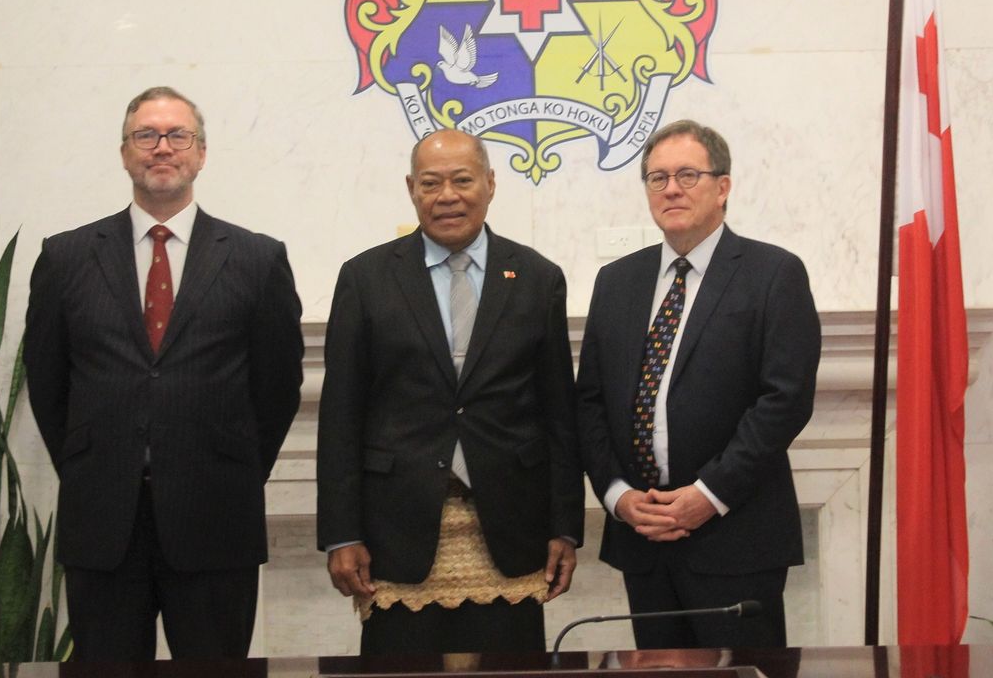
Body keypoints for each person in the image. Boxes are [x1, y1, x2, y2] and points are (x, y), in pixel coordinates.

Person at [23, 86, 304, 661]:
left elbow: (277, 389)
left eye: (178, 135)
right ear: (124, 153)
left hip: (216, 521)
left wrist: (233, 468)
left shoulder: (257, 258)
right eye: (145, 136)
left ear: (201, 154)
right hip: (103, 523)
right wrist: (92, 462)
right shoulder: (66, 258)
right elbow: (49, 384)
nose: (162, 148)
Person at [317, 128, 583, 655]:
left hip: (512, 526)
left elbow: (559, 415)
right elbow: (341, 414)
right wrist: (341, 532)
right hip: (396, 529)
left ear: (489, 183)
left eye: (462, 180)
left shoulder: (536, 277)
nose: (447, 196)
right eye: (431, 183)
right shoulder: (365, 278)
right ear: (412, 189)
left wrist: (566, 529)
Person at [576, 119, 821, 649]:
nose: (671, 189)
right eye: (657, 177)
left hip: (736, 538)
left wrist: (708, 495)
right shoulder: (616, 282)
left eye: (688, 174)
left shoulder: (773, 273)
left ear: (723, 186)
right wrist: (617, 495)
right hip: (642, 540)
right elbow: (590, 402)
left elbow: (785, 401)